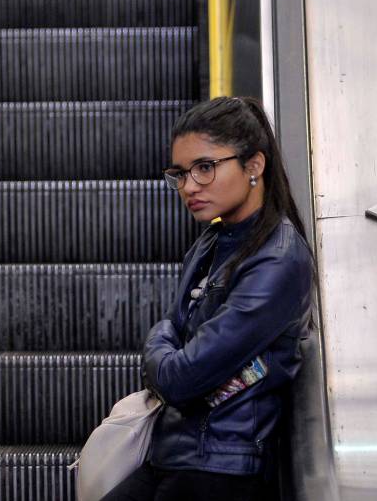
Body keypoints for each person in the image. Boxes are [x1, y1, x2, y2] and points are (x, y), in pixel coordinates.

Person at [103, 97, 314, 501]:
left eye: (205, 168)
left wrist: (159, 340)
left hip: (221, 469)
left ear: (254, 165)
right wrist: (167, 343)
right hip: (177, 453)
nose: (189, 186)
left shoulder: (277, 260)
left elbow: (180, 378)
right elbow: (175, 344)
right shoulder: (212, 242)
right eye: (180, 173)